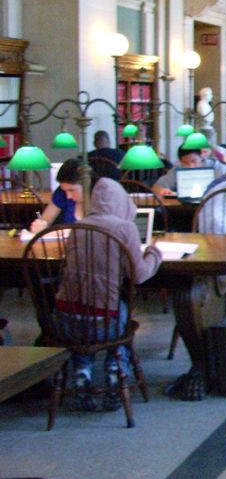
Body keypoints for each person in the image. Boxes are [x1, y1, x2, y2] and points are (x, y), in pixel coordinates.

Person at [56, 177, 162, 411]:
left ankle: (82, 371)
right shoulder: (125, 228)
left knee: (83, 330)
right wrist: (154, 254)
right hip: (103, 321)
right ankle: (115, 369)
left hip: (65, 319)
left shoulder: (78, 227)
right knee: (119, 312)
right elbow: (139, 275)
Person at [30, 158, 85, 233]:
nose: (68, 196)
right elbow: (46, 220)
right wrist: (40, 225)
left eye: (71, 190)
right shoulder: (61, 193)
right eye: (65, 190)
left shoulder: (98, 198)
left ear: (86, 184)